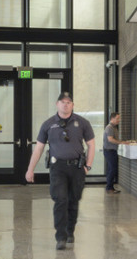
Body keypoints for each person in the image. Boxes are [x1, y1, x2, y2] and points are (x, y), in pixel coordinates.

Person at [25, 92, 96, 250]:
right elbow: (39, 149)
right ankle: (61, 237)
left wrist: (88, 166)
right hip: (58, 168)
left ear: (72, 105)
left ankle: (70, 231)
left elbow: (91, 144)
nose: (66, 104)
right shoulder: (48, 124)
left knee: (73, 200)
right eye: (63, 102)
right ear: (57, 104)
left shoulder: (82, 122)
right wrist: (30, 170)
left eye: (69, 102)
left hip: (77, 168)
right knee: (60, 200)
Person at [103, 112, 123, 193]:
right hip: (109, 151)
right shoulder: (110, 127)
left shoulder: (114, 127)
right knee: (113, 169)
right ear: (112, 118)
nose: (119, 120)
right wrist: (121, 142)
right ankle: (109, 187)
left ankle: (110, 186)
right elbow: (110, 139)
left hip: (112, 151)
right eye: (117, 118)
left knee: (111, 169)